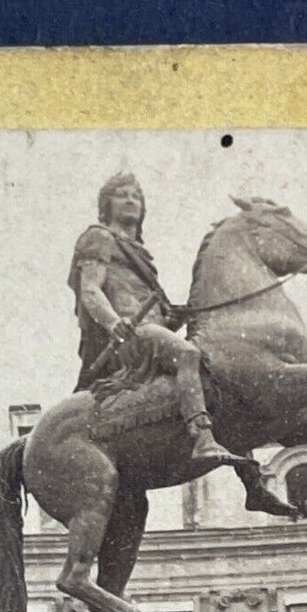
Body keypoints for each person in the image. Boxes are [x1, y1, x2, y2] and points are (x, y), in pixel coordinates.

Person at [69, 171, 241, 474]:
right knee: (188, 354)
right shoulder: (98, 237)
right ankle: (202, 437)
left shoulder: (139, 254)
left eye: (136, 195)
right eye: (121, 194)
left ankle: (250, 479)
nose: (130, 200)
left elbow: (152, 314)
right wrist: (113, 324)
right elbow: (90, 290)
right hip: (127, 339)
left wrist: (172, 318)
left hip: (150, 334)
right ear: (106, 204)